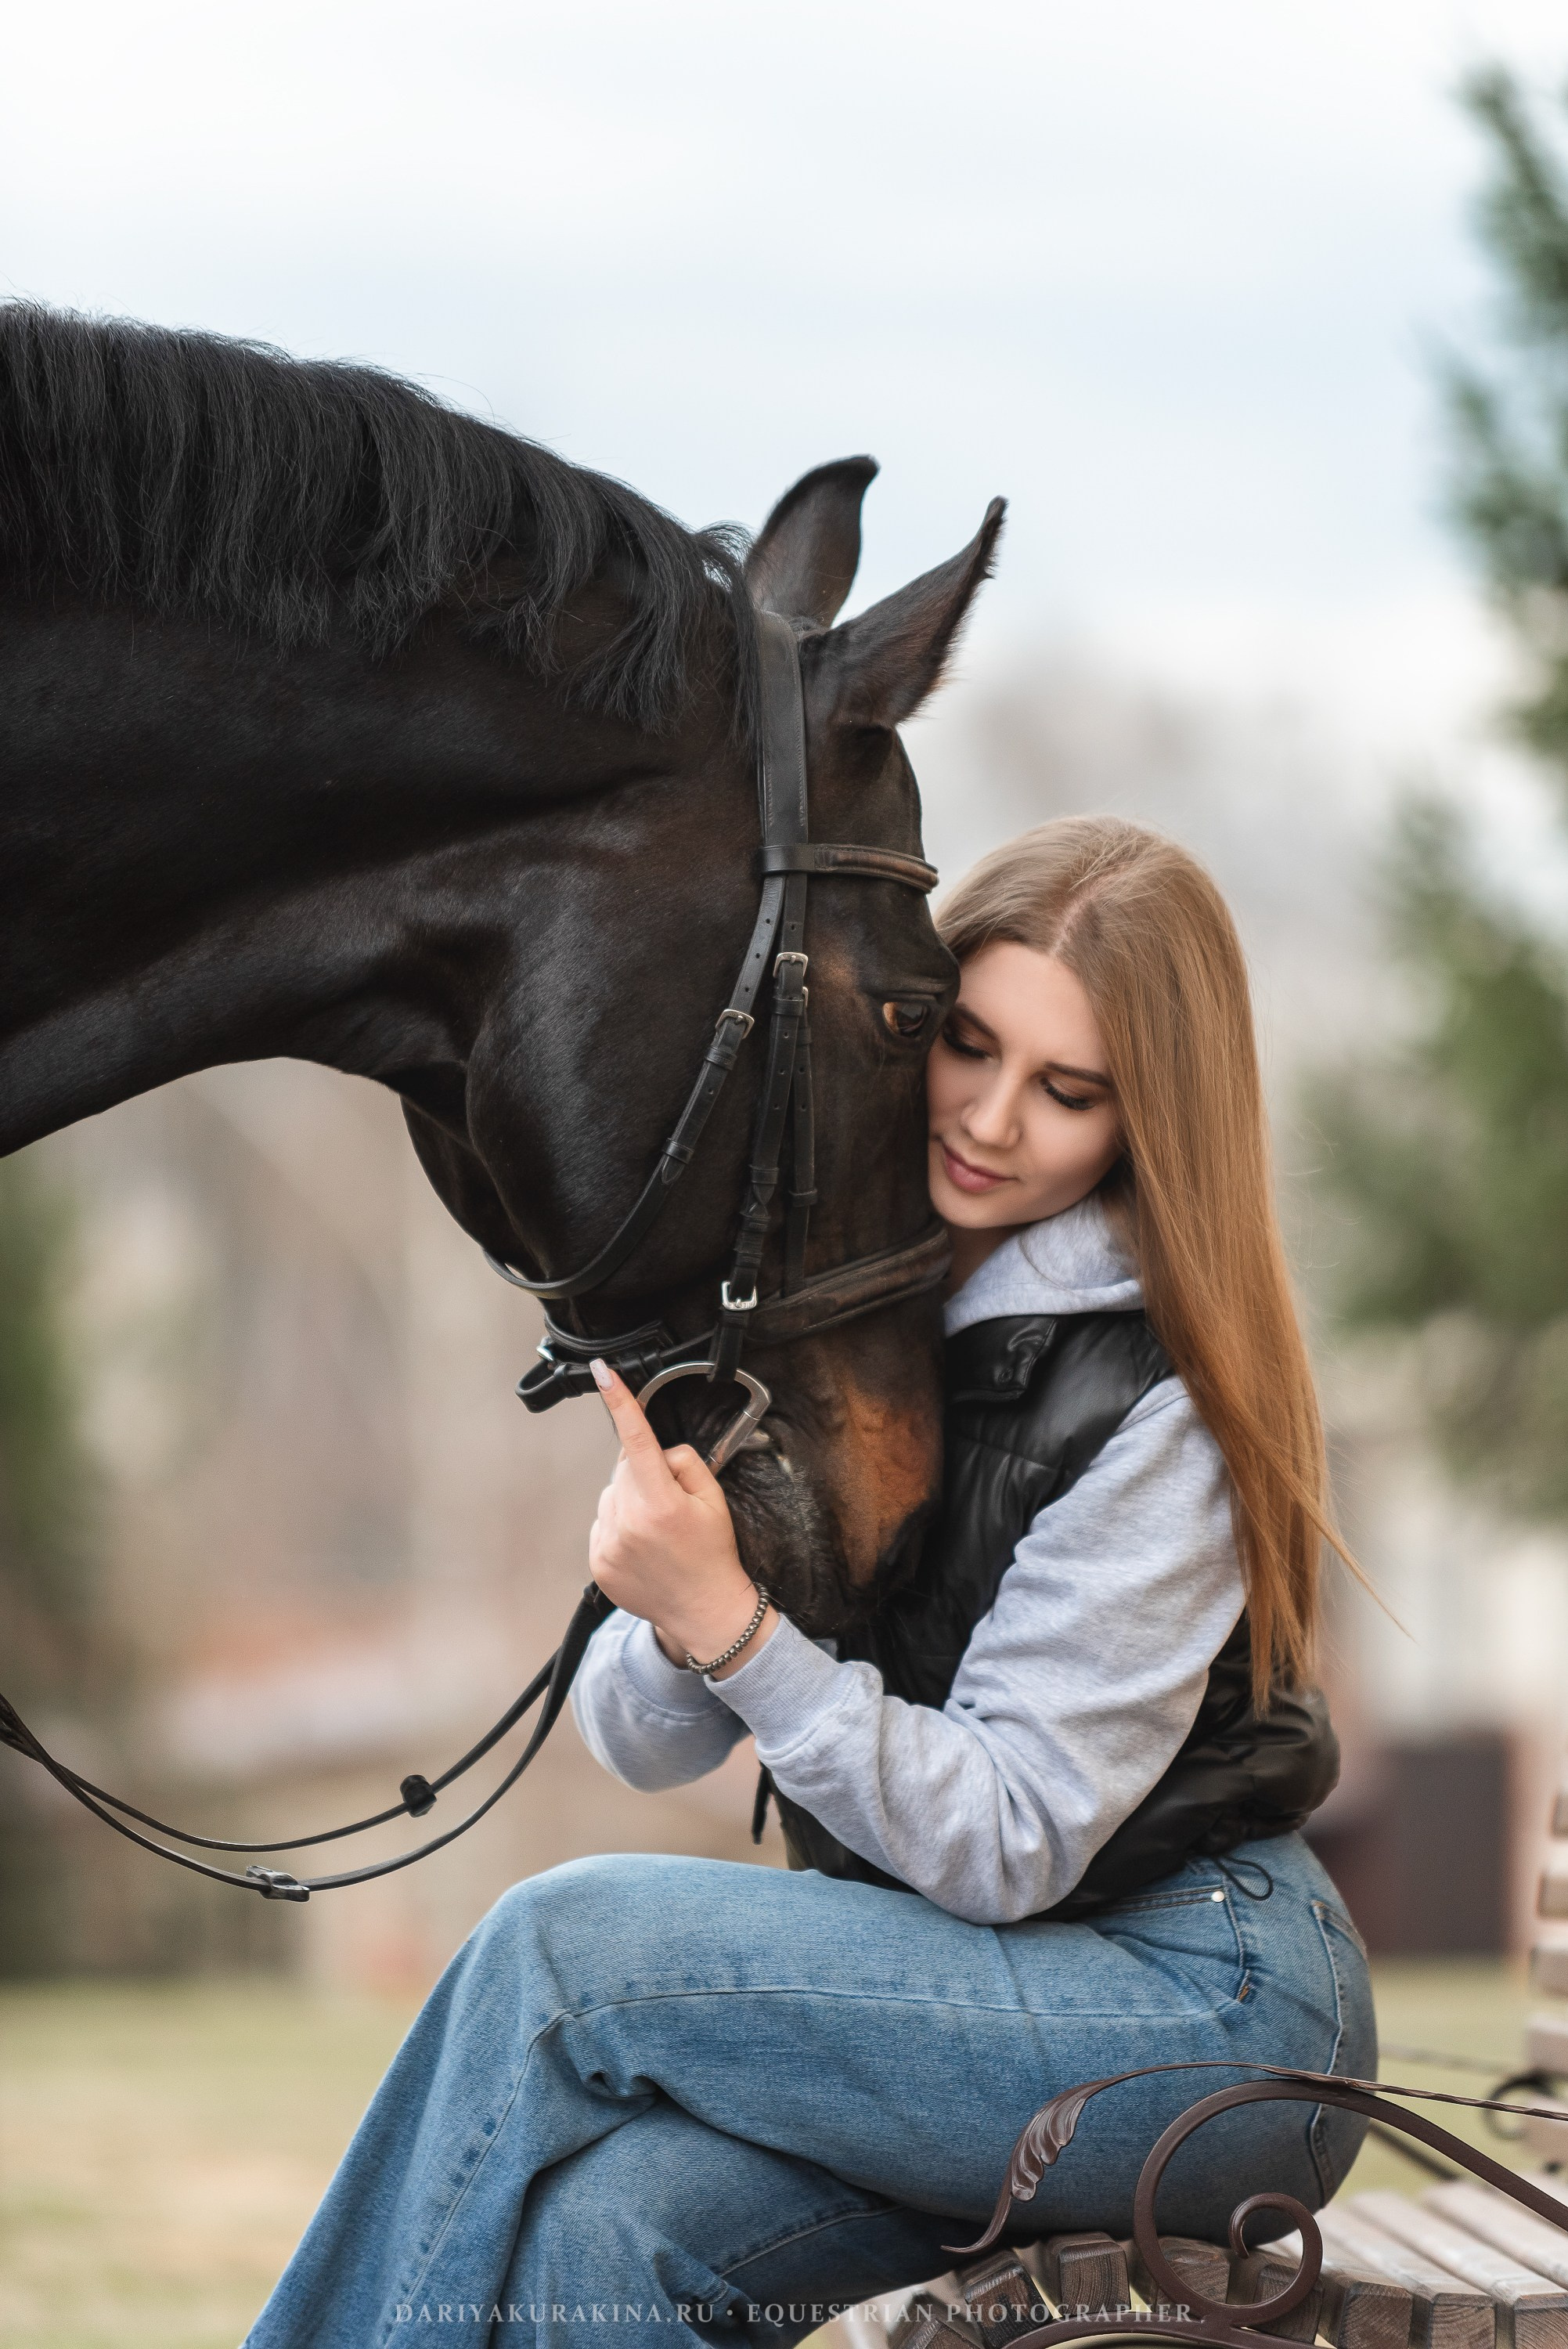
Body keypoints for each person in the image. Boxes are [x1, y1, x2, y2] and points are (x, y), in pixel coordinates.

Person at [245, 816, 1375, 2349]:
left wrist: (734, 1628)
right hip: (975, 1989)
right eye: (969, 1045)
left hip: (1203, 2020)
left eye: (1068, 1091)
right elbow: (638, 1743)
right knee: (606, 2228)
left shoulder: (1155, 1392)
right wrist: (672, 1599)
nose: (990, 1120)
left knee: (557, 1952)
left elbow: (1012, 1836)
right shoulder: (830, 1313)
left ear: (1146, 1122)